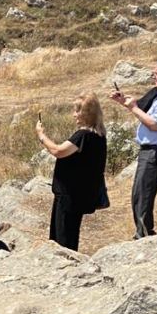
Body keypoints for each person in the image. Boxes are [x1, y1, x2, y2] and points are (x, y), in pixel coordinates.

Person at [110, 59, 157, 239]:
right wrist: (126, 103)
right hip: (152, 149)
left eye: (156, 74)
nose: (153, 77)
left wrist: (133, 108)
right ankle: (144, 232)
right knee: (141, 193)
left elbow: (154, 124)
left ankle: (143, 235)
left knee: (143, 193)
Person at [36, 94, 108, 252]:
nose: (74, 114)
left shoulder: (83, 136)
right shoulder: (99, 134)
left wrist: (41, 135)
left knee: (63, 238)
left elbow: (58, 151)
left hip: (71, 195)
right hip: (79, 193)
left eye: (77, 111)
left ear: (87, 113)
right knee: (68, 233)